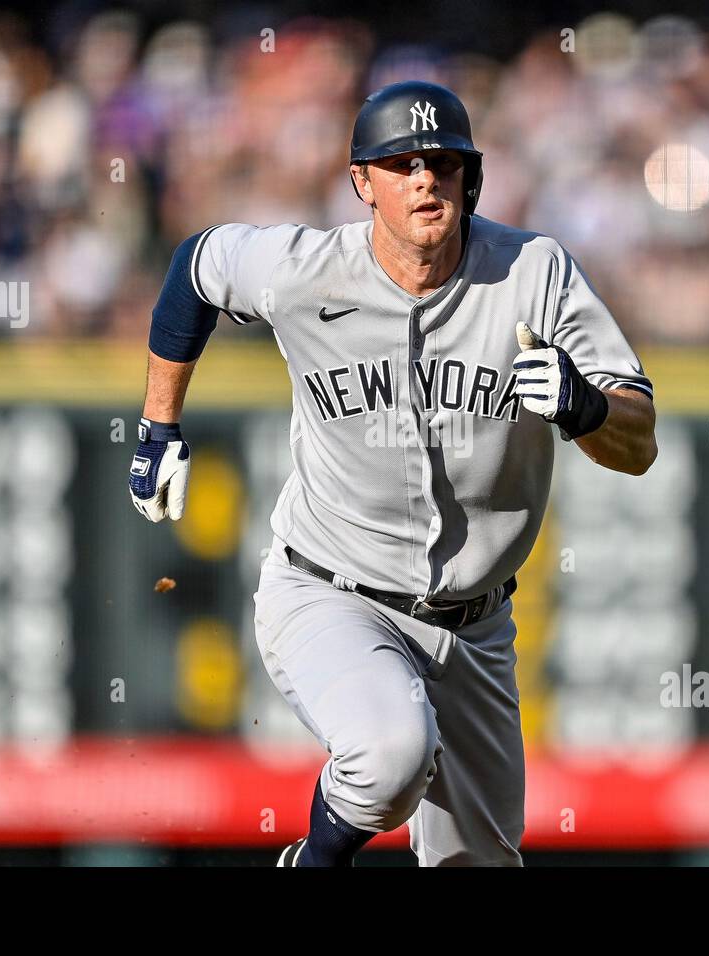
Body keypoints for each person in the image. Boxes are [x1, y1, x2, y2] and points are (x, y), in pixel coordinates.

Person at [129, 80, 657, 866]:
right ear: (360, 182)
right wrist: (157, 423)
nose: (423, 180)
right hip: (330, 592)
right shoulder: (306, 269)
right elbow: (195, 270)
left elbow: (639, 440)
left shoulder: (534, 274)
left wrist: (585, 410)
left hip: (476, 629)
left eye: (441, 163)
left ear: (469, 178)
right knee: (389, 755)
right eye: (400, 162)